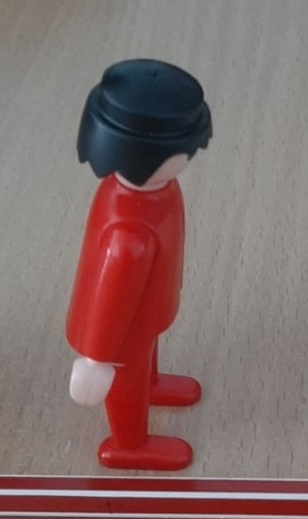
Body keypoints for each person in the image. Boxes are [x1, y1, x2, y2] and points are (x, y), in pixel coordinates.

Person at [66, 59, 212, 471]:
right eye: (184, 150)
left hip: (145, 311)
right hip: (118, 331)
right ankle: (129, 442)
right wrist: (96, 359)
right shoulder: (128, 232)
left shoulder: (154, 191)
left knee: (144, 353)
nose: (190, 156)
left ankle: (151, 382)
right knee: (124, 378)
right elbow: (112, 294)